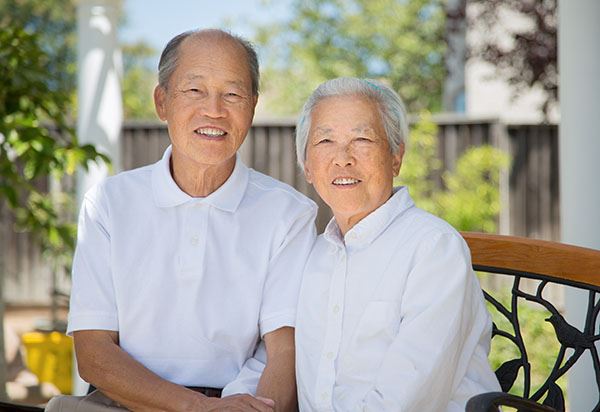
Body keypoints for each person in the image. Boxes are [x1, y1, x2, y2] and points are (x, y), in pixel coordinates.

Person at [47, 29, 316, 412]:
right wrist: (194, 408)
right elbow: (92, 352)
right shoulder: (109, 203)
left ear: (252, 107)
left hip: (240, 404)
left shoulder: (289, 214)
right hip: (123, 403)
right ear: (162, 102)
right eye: (194, 91)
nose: (215, 110)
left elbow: (285, 350)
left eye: (233, 94)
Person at [294, 77, 501, 411]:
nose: (342, 158)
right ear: (307, 166)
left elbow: (405, 401)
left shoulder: (433, 249)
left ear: (396, 157)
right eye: (325, 140)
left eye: (362, 139)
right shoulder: (311, 255)